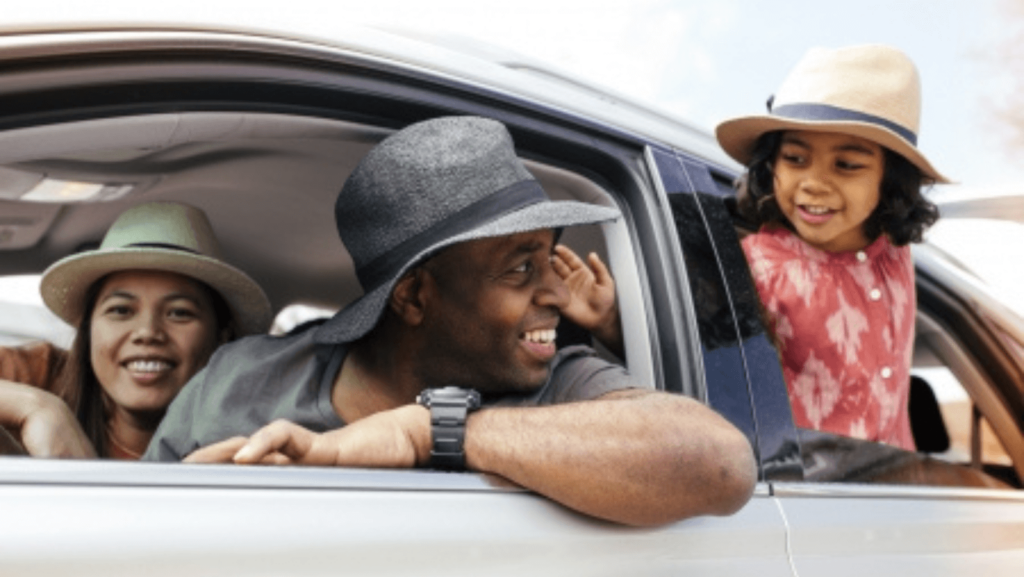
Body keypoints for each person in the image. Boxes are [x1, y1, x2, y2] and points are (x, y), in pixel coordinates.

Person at [144, 116, 756, 527]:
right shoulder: (237, 380)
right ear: (413, 297)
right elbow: (134, 532)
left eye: (549, 258)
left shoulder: (558, 386)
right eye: (520, 268)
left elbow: (722, 463)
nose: (555, 293)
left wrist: (427, 432)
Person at [715, 45, 946, 449]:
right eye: (795, 158)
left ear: (890, 179)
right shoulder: (755, 268)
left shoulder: (894, 251)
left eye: (847, 165)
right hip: (818, 499)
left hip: (901, 489)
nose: (814, 182)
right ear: (772, 165)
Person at [0, 202, 271, 459]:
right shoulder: (42, 375)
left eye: (179, 313)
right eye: (121, 310)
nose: (148, 332)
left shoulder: (253, 434)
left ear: (220, 335)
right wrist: (37, 407)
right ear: (88, 328)